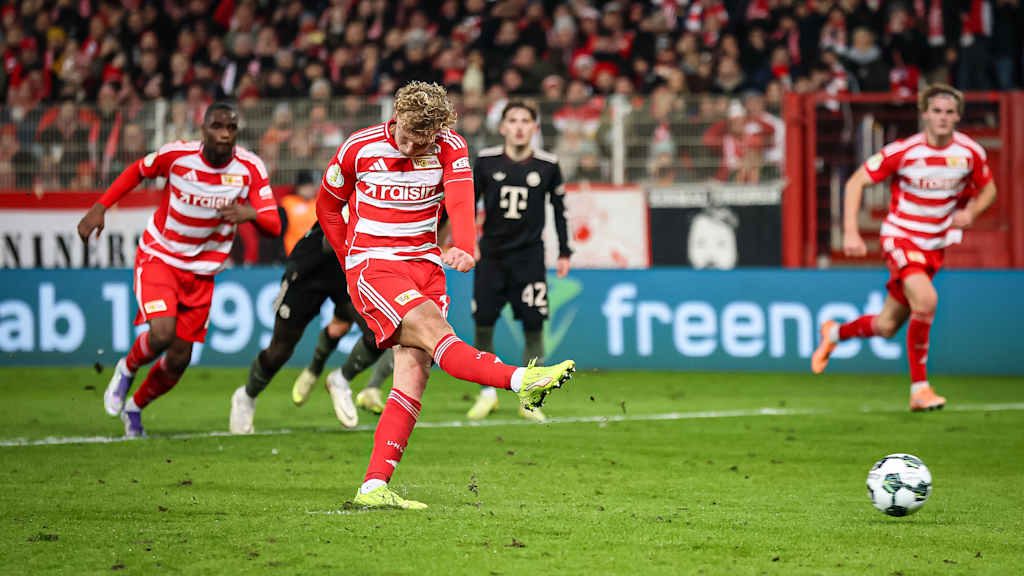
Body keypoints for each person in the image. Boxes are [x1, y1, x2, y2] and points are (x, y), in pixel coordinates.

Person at [316, 81, 575, 510]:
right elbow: (327, 206)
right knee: (437, 335)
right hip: (376, 264)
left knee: (414, 373)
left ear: (438, 131)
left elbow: (460, 200)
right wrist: (350, 262)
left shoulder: (450, 146)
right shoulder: (358, 147)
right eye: (406, 136)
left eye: (422, 141)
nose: (411, 147)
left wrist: (464, 246)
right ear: (396, 118)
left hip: (427, 267)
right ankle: (521, 381)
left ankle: (374, 486)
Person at [77, 102, 282, 437]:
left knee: (179, 358)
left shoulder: (250, 167)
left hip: (202, 273)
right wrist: (101, 207)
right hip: (161, 257)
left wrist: (251, 214)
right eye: (217, 127)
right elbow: (136, 171)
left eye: (231, 128)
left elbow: (273, 224)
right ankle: (126, 369)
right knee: (162, 333)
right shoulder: (177, 156)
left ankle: (134, 408)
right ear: (203, 130)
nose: (225, 134)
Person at [812, 85, 997, 411]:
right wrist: (851, 232)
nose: (942, 118)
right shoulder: (904, 151)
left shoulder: (970, 153)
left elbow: (989, 189)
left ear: (958, 116)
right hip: (901, 238)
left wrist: (971, 213)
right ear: (924, 113)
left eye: (949, 112)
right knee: (926, 301)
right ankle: (919, 390)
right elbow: (855, 182)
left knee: (887, 325)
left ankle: (835, 333)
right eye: (936, 111)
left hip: (934, 247)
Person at [228, 220, 394, 435]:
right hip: (310, 268)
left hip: (347, 266)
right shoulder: (351, 199)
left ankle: (340, 379)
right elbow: (328, 241)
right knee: (279, 351)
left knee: (378, 331)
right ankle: (247, 396)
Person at [466, 101, 572, 422]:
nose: (519, 127)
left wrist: (565, 251)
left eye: (526, 121)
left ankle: (530, 398)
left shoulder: (548, 165)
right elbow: (467, 204)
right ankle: (487, 393)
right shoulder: (486, 161)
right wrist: (467, 242)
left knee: (534, 326)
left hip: (529, 259)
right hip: (492, 257)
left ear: (535, 128)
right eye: (513, 120)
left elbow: (560, 211)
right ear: (502, 127)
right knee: (484, 323)